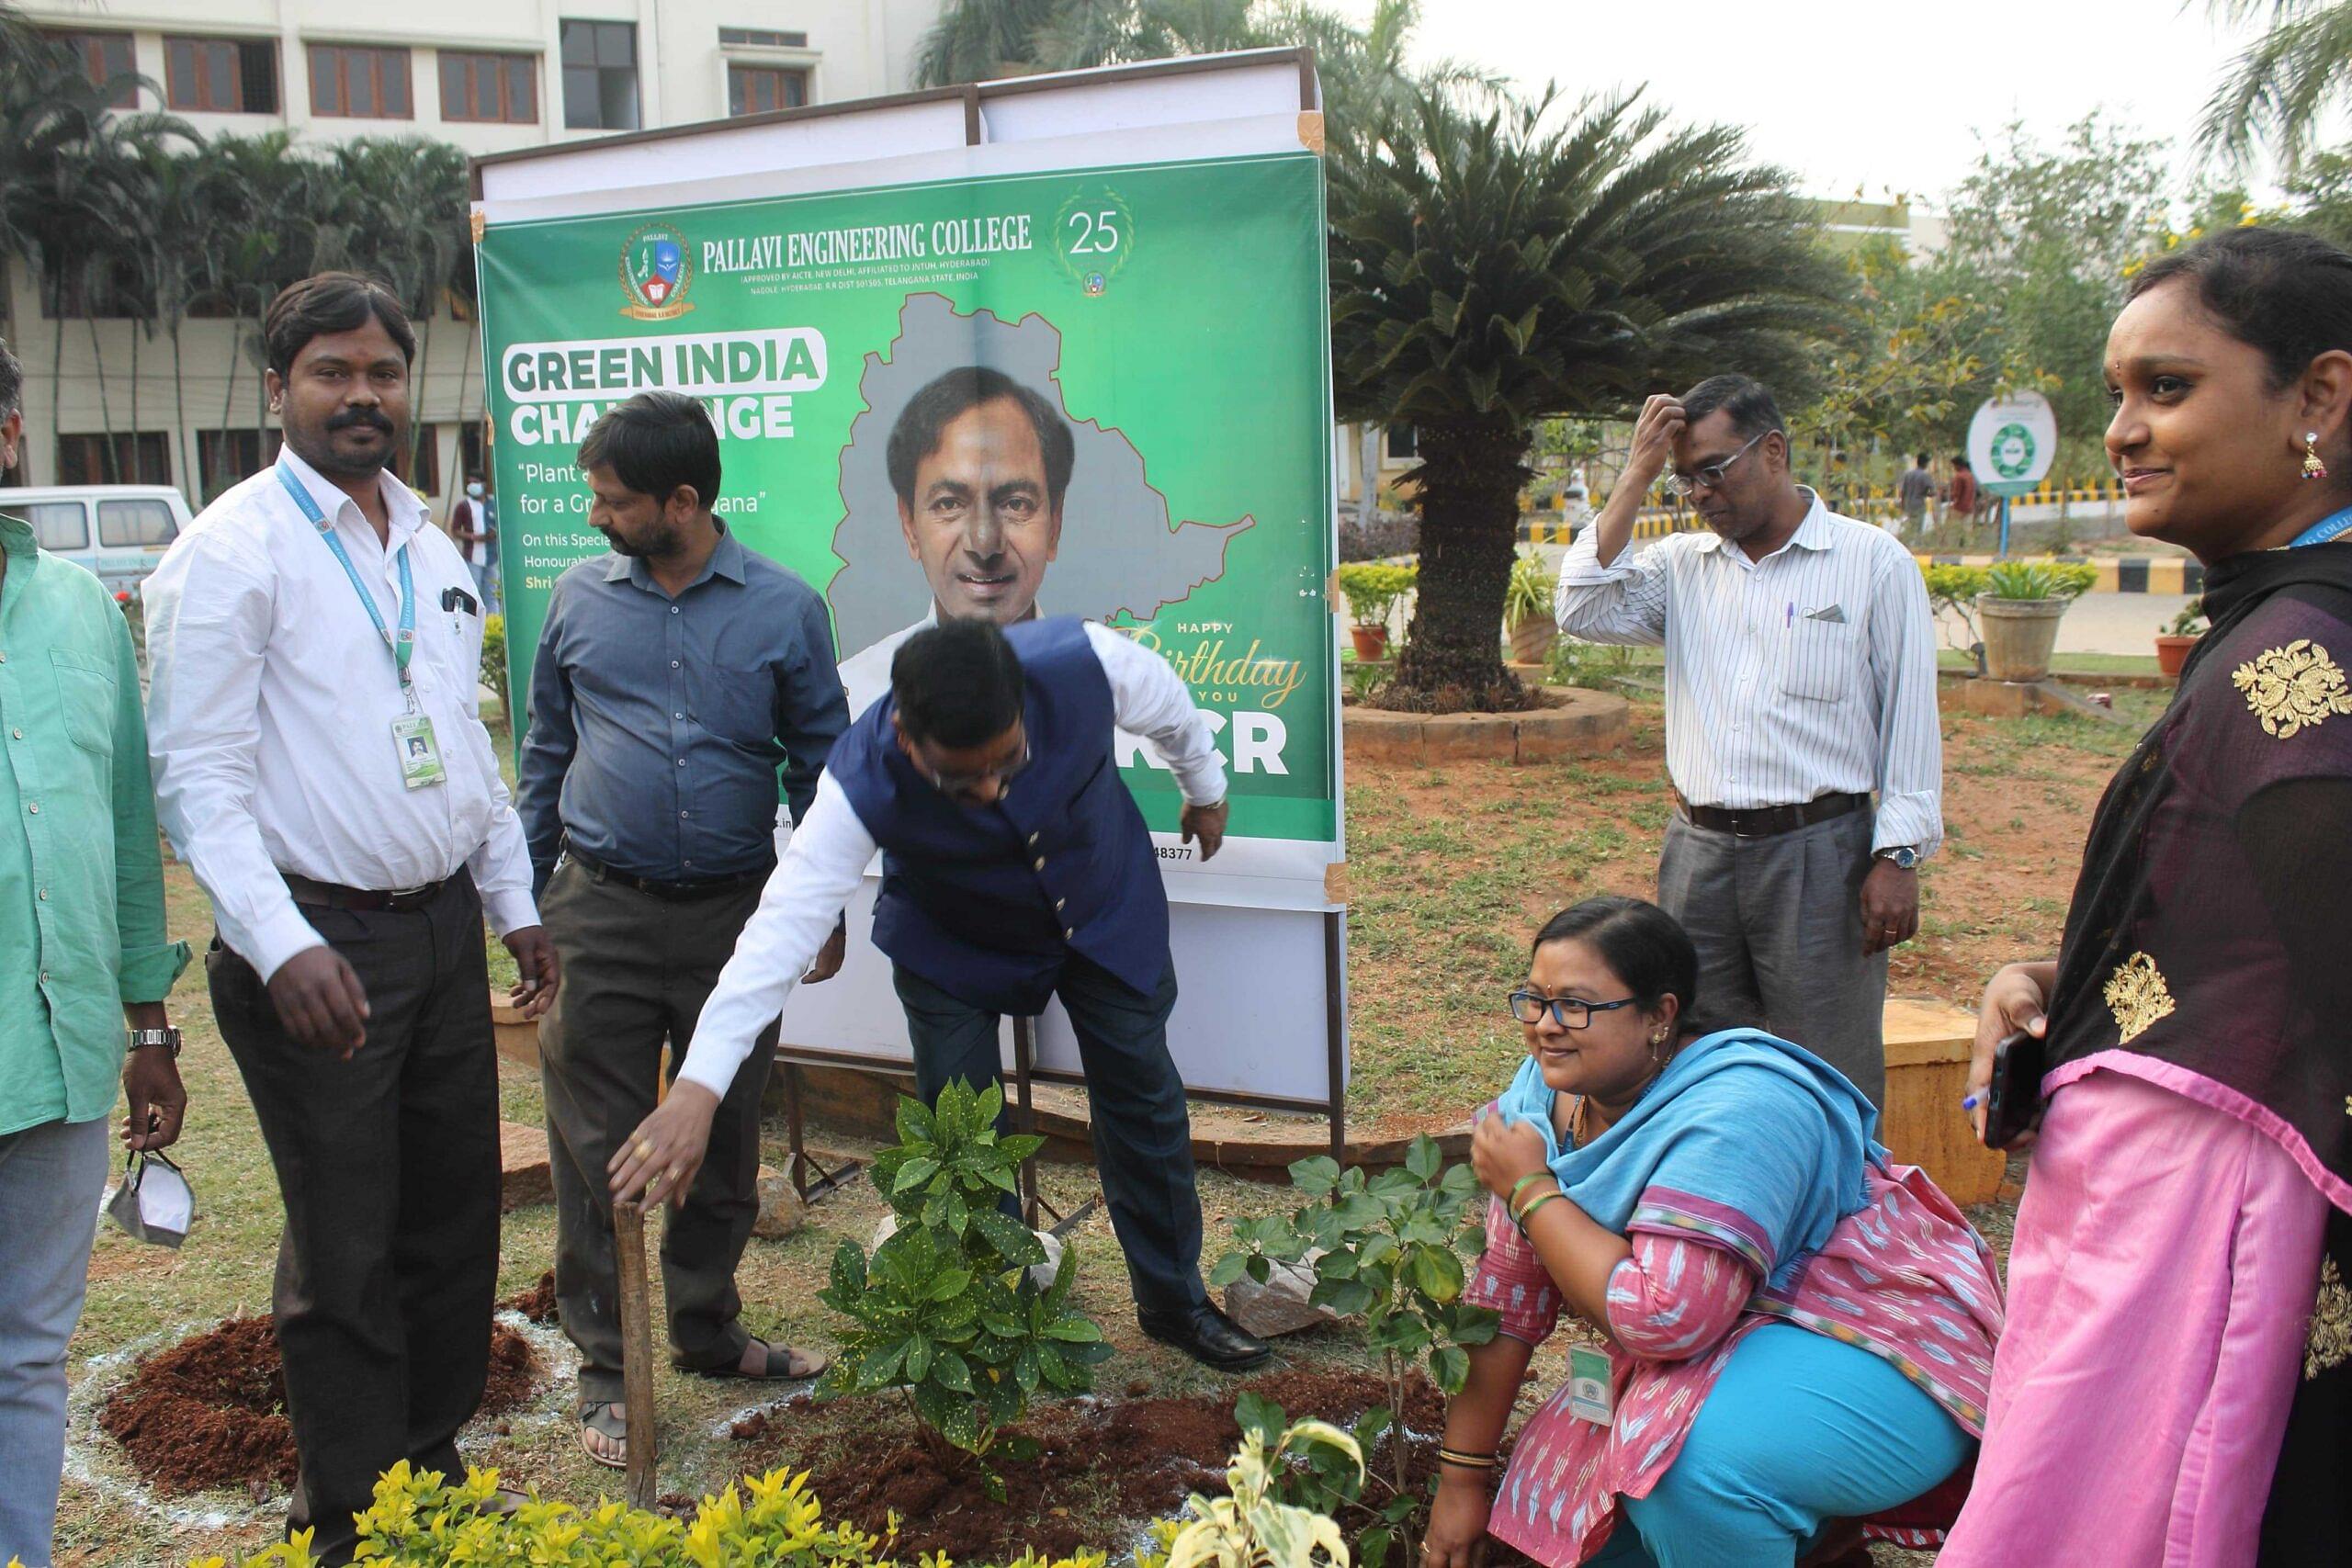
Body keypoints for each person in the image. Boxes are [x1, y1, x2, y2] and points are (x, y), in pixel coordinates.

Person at [1942, 228, 2352, 1566]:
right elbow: (2270, 921)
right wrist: (2063, 981)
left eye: (2165, 388)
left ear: (2318, 397)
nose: (2120, 431)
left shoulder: (2296, 665)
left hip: (2197, 1228)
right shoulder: (2281, 622)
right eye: (2116, 392)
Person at [141, 272, 559, 1565]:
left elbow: (465, 745)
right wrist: (282, 944)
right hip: (317, 946)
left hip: (437, 932)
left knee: (453, 1222)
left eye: (382, 372)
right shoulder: (231, 551)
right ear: (279, 388)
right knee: (346, 1243)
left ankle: (426, 1471)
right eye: (333, 371)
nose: (362, 394)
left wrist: (514, 905)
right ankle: (352, 1522)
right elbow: (198, 780)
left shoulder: (426, 544)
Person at [614, 615, 1271, 1371]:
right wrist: (697, 1087)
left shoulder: (1086, 662)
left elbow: (1174, 712)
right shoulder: (859, 779)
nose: (990, 789)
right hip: (951, 939)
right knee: (963, 1139)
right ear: (905, 735)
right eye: (961, 779)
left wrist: (1205, 789)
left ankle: (1174, 1301)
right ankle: (997, 1316)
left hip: (1100, 906)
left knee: (1143, 1097)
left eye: (1008, 762)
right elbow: (779, 931)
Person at [1420, 898, 1999, 1568]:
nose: (1547, 1026)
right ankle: (1815, 1543)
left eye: (1576, 1005)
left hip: (1872, 1339)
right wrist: (1462, 1481)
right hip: (1727, 1350)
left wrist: (1532, 1190)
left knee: (1681, 1472)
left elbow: (1665, 1318)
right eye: (1535, 1000)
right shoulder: (1539, 1103)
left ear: (1660, 1015)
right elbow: (1509, 1299)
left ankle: (1803, 1515)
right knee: (1579, 1529)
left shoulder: (1741, 1109)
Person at [514, 392, 850, 1469]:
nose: (596, 517)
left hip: (733, 920)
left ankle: (706, 1329)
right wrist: (521, 904)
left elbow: (824, 769)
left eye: (615, 501)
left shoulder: (786, 609)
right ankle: (610, 1371)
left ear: (685, 500)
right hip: (596, 912)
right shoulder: (576, 599)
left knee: (725, 1135)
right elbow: (545, 751)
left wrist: (821, 908)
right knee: (594, 1150)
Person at [1553, 376, 1943, 1109]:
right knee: (1695, 1058)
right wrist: (1636, 472)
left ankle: (1839, 1187)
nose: (1700, 493)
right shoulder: (1681, 568)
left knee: (1828, 1066)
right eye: (1684, 479)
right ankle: (1717, 1184)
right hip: (1698, 855)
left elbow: (1910, 718)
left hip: (1820, 855)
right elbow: (1580, 605)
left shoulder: (1872, 562)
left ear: (1773, 451)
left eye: (1713, 470)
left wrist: (1898, 856)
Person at [0, 337, 191, 1568]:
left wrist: (149, 1030)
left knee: (27, 1354)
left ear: (11, 434)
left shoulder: (77, 609)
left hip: (57, 1055)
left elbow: (126, 833)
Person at [834, 367, 1070, 714]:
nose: (984, 543)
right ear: (909, 525)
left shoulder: (1121, 696)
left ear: (1054, 524)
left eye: (1015, 504)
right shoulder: (854, 702)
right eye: (949, 504)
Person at [447, 475, 499, 612]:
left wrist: (494, 533)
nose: (472, 485)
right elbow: (455, 530)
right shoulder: (464, 506)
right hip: (472, 556)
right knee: (473, 593)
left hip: (492, 556)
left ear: (484, 484)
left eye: (475, 482)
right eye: (469, 483)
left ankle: (493, 620)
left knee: (492, 593)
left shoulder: (493, 504)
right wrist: (473, 537)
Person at [1897, 451, 1936, 536]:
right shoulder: (1925, 476)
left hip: (1908, 505)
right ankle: (1917, 542)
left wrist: (1902, 504)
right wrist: (1926, 493)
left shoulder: (1908, 474)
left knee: (1910, 527)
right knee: (1918, 529)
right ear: (1925, 464)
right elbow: (1931, 492)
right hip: (1919, 505)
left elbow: (1903, 491)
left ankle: (1906, 540)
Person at [1945, 455, 1979, 530]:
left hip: (1959, 508)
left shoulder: (1959, 476)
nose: (1954, 468)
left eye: (1954, 466)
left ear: (1958, 465)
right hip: (1970, 508)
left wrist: (1946, 495)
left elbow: (1956, 494)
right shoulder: (1971, 475)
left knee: (1952, 530)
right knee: (1967, 532)